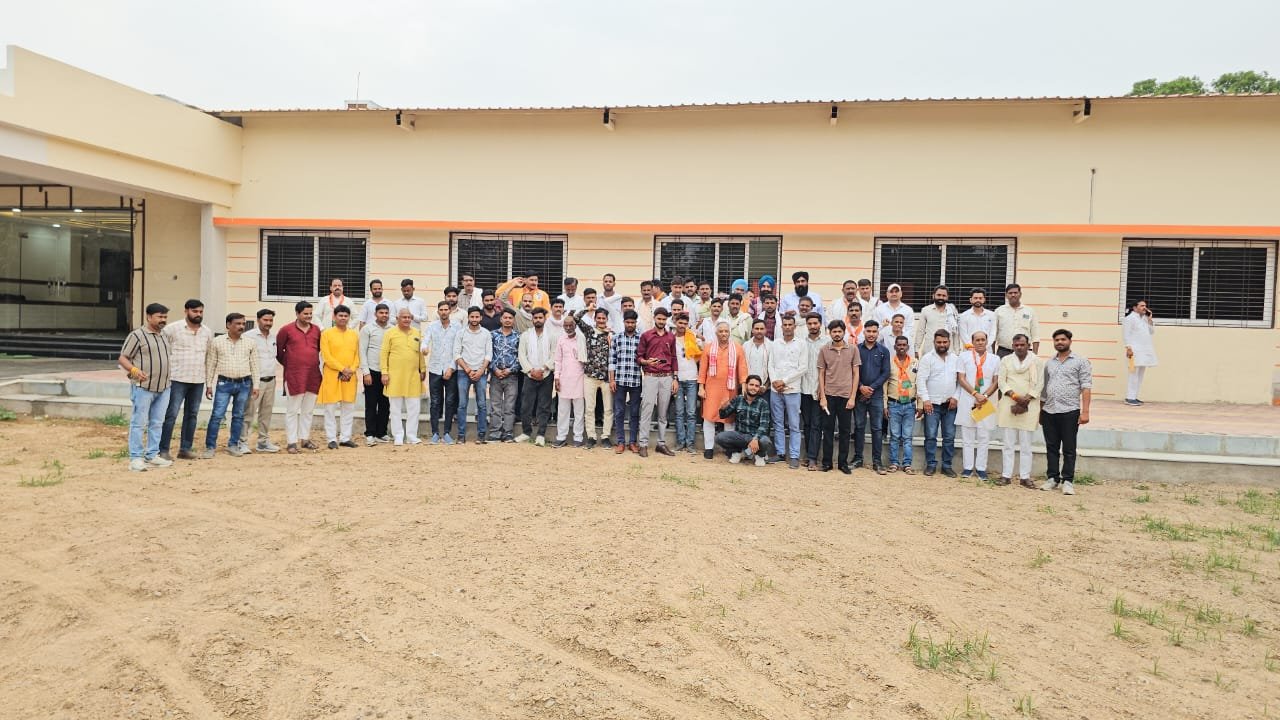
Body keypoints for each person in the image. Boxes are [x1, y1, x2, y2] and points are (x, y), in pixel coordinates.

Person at [118, 303, 173, 472]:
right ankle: (135, 458)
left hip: (164, 387)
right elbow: (123, 358)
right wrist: (134, 371)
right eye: (159, 316)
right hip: (143, 387)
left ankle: (152, 455)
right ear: (148, 317)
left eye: (165, 317)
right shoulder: (137, 335)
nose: (163, 320)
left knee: (157, 423)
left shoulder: (165, 335)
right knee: (139, 423)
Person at [159, 298, 213, 461]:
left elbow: (209, 358)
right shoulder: (172, 329)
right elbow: (162, 351)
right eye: (194, 311)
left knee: (192, 415)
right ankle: (163, 450)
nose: (198, 314)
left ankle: (185, 449)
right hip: (177, 379)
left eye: (200, 312)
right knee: (171, 414)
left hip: (198, 380)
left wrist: (209, 383)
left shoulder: (207, 332)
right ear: (186, 311)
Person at [202, 311, 260, 459]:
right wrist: (209, 385)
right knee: (217, 415)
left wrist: (256, 385)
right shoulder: (217, 342)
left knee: (238, 416)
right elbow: (211, 364)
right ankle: (210, 447)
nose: (241, 326)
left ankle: (233, 445)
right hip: (224, 384)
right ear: (228, 325)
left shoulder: (250, 342)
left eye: (243, 324)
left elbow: (255, 365)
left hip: (244, 384)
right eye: (238, 323)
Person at [1041, 329, 1092, 496]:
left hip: (1070, 410)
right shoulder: (1049, 363)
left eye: (1063, 339)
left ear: (1070, 341)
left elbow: (1086, 387)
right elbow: (1044, 389)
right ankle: (1052, 478)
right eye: (1056, 340)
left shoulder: (1081, 361)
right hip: (1049, 410)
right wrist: (1041, 411)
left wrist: (1085, 412)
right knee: (1051, 447)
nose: (1059, 342)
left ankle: (1068, 481)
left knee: (1069, 448)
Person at [276, 300, 323, 453]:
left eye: (310, 313)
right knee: (292, 409)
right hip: (294, 376)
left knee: (308, 410)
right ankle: (291, 442)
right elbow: (279, 353)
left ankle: (305, 439)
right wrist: (292, 365)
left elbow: (319, 350)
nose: (308, 316)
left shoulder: (316, 330)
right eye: (305, 314)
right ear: (297, 313)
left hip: (313, 375)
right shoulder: (286, 330)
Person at [997, 334, 1043, 488]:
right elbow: (1001, 382)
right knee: (1008, 444)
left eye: (1022, 344)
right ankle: (1006, 475)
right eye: (1016, 345)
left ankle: (1025, 477)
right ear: (1012, 346)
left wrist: (1026, 399)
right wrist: (1016, 397)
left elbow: (1040, 384)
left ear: (1028, 345)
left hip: (1030, 405)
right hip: (1009, 403)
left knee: (1026, 445)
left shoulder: (1037, 361)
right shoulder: (1006, 360)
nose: (1019, 347)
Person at [698, 321, 748, 460]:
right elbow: (702, 369)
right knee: (709, 418)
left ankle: (728, 448)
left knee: (729, 420)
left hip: (730, 389)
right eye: (721, 331)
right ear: (716, 333)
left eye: (726, 331)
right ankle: (709, 448)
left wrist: (744, 386)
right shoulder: (708, 348)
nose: (723, 334)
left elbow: (742, 368)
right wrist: (701, 387)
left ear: (729, 332)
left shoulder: (737, 348)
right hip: (711, 389)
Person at [955, 330, 1000, 480]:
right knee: (967, 436)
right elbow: (961, 379)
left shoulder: (995, 359)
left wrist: (984, 396)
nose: (980, 342)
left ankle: (981, 468)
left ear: (987, 342)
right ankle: (967, 468)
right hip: (968, 400)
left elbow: (996, 381)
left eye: (982, 340)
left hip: (986, 401)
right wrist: (975, 394)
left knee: (983, 436)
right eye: (977, 340)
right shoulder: (964, 357)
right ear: (972, 342)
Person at [817, 320, 860, 474]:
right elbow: (821, 374)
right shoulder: (824, 349)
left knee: (845, 431)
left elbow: (856, 374)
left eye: (839, 331)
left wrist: (853, 397)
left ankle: (843, 463)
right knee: (828, 429)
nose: (837, 334)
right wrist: (823, 397)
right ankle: (827, 462)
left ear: (844, 332)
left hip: (846, 395)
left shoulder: (853, 349)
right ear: (829, 333)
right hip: (829, 395)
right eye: (834, 331)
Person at [380, 308, 426, 446]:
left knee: (414, 408)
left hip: (413, 376)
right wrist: (384, 372)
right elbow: (384, 354)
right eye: (404, 317)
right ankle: (398, 436)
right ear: (397, 319)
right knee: (395, 409)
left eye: (409, 317)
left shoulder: (417, 332)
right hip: (395, 376)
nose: (407, 319)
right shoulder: (390, 333)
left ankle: (411, 436)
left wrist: (423, 369)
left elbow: (420, 353)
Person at [636, 307, 678, 457]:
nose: (661, 321)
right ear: (654, 318)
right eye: (659, 318)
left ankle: (661, 443)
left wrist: (675, 378)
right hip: (650, 376)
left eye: (664, 319)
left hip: (666, 377)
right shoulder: (646, 336)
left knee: (663, 413)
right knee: (647, 410)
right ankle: (643, 444)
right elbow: (639, 357)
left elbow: (674, 358)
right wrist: (646, 362)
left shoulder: (671, 337)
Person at [767, 315, 807, 469]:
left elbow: (803, 368)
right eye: (785, 324)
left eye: (790, 324)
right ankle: (780, 453)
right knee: (777, 422)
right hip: (775, 390)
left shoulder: (801, 344)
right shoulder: (775, 343)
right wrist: (775, 381)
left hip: (793, 389)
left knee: (794, 424)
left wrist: (784, 381)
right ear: (781, 326)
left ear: (795, 326)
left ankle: (794, 455)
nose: (788, 327)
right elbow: (771, 365)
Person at [917, 329, 959, 477]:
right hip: (932, 405)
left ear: (949, 342)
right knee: (930, 436)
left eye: (944, 342)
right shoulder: (927, 358)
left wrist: (956, 397)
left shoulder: (955, 359)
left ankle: (947, 466)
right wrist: (926, 400)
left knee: (949, 436)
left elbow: (960, 381)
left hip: (950, 405)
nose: (942, 344)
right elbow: (921, 380)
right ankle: (931, 465)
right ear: (934, 342)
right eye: (939, 342)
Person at [318, 305, 361, 449]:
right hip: (332, 375)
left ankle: (345, 437)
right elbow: (327, 356)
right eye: (340, 315)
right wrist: (342, 369)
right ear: (334, 317)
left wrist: (351, 370)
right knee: (330, 408)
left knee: (348, 407)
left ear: (349, 318)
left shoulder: (354, 334)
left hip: (350, 376)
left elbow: (357, 356)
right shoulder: (327, 334)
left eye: (346, 316)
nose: (343, 318)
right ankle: (331, 438)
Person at [853, 319, 889, 474]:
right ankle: (858, 458)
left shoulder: (883, 351)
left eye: (874, 331)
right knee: (859, 426)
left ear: (878, 332)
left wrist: (871, 388)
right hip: (859, 394)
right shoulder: (856, 349)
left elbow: (885, 373)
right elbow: (852, 371)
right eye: (869, 331)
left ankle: (877, 461)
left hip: (876, 395)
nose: (871, 334)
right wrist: (861, 387)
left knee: (877, 428)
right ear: (864, 332)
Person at [575, 305, 614, 449]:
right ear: (595, 319)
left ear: (607, 319)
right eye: (599, 318)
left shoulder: (611, 335)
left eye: (604, 318)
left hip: (606, 377)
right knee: (590, 408)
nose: (601, 320)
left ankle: (605, 436)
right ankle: (591, 436)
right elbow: (576, 318)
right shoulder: (589, 331)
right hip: (590, 375)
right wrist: (588, 309)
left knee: (608, 409)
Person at [714, 375, 774, 465]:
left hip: (757, 436)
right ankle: (737, 452)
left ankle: (760, 455)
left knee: (765, 441)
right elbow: (723, 415)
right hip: (741, 436)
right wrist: (722, 408)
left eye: (756, 386)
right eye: (751, 384)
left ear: (759, 388)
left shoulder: (763, 403)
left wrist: (755, 439)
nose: (753, 388)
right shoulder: (738, 399)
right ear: (746, 385)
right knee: (720, 438)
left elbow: (764, 425)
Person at [453, 307, 493, 444]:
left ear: (481, 317)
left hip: (481, 373)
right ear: (468, 317)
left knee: (481, 404)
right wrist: (468, 370)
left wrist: (481, 370)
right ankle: (461, 435)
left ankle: (481, 435)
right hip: (463, 372)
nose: (474, 319)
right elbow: (456, 354)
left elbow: (488, 354)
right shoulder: (461, 333)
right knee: (462, 404)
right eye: (472, 317)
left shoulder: (486, 334)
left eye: (477, 317)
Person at [243, 309, 281, 453]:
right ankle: (242, 442)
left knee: (266, 413)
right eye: (265, 320)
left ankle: (263, 442)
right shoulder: (248, 337)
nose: (268, 323)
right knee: (249, 413)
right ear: (258, 320)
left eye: (270, 320)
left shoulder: (273, 337)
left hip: (271, 380)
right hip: (255, 382)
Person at [517, 307, 556, 445]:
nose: (538, 320)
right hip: (529, 375)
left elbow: (554, 354)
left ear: (545, 319)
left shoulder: (551, 335)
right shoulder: (526, 335)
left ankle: (541, 435)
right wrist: (531, 370)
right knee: (526, 405)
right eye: (535, 318)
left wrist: (544, 368)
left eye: (540, 317)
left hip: (546, 374)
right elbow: (521, 355)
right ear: (532, 319)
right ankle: (526, 432)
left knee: (544, 406)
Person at [423, 300, 460, 444]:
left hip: (451, 369)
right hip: (435, 369)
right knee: (435, 402)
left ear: (450, 311)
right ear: (438, 311)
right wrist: (424, 348)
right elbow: (425, 341)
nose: (444, 312)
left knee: (450, 401)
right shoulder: (432, 326)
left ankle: (447, 433)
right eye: (441, 310)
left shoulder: (457, 327)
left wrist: (451, 368)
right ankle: (435, 433)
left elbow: (458, 348)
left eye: (446, 309)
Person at [609, 309, 644, 453]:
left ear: (636, 323)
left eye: (632, 322)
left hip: (636, 380)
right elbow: (612, 360)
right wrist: (612, 379)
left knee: (634, 412)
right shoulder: (617, 338)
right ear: (624, 322)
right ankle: (620, 442)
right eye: (628, 322)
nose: (630, 324)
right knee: (619, 412)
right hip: (620, 380)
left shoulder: (641, 338)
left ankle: (633, 442)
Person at [799, 312, 830, 469]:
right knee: (807, 424)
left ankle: (812, 458)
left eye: (815, 323)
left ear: (820, 324)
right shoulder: (801, 342)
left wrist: (822, 387)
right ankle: (808, 454)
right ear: (806, 325)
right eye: (810, 323)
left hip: (819, 389)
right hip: (803, 388)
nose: (812, 326)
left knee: (816, 424)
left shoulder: (827, 342)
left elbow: (830, 367)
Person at [885, 335, 919, 474]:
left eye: (904, 345)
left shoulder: (915, 363)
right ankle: (894, 463)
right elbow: (885, 385)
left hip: (910, 405)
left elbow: (918, 383)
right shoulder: (889, 363)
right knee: (894, 436)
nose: (902, 347)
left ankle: (907, 464)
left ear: (908, 347)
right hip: (894, 404)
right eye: (899, 345)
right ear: (895, 347)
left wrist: (920, 404)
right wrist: (885, 405)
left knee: (907, 436)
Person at [359, 303, 392, 446]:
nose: (384, 315)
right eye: (381, 313)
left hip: (387, 372)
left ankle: (381, 433)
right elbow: (362, 351)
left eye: (386, 313)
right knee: (371, 404)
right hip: (371, 371)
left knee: (385, 404)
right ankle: (370, 434)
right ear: (375, 314)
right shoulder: (367, 329)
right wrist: (366, 372)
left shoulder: (392, 329)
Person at [553, 314, 588, 447]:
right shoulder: (561, 339)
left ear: (575, 325)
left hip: (579, 378)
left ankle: (578, 437)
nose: (568, 328)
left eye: (570, 325)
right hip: (564, 379)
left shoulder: (582, 339)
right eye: (566, 325)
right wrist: (557, 377)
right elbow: (558, 360)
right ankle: (561, 437)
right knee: (563, 411)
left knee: (579, 411)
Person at [488, 308, 521, 442]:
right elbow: (488, 353)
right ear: (501, 319)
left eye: (510, 318)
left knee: (509, 407)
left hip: (511, 376)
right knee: (495, 406)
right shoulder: (492, 335)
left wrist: (510, 369)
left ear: (513, 320)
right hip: (495, 375)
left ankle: (508, 433)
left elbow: (521, 356)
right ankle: (495, 433)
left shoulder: (518, 336)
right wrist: (494, 369)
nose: (507, 320)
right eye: (505, 318)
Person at [672, 312, 702, 454]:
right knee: (679, 412)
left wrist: (700, 338)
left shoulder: (693, 337)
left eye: (685, 323)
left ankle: (690, 444)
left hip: (692, 378)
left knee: (691, 413)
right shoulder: (671, 338)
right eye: (680, 323)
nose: (682, 326)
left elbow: (703, 350)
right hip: (677, 379)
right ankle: (680, 442)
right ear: (675, 322)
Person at [1122, 299, 1157, 406]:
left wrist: (1150, 320)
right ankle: (1129, 397)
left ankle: (1134, 397)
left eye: (1145, 305)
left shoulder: (1145, 319)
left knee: (1140, 375)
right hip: (1134, 351)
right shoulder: (1130, 318)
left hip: (1144, 351)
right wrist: (1128, 348)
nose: (1144, 308)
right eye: (1142, 306)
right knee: (1133, 374)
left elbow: (1151, 332)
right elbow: (1126, 334)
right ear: (1134, 307)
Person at [994, 283, 1039, 356]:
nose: (1013, 295)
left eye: (1015, 293)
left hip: (1025, 352)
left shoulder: (1029, 311)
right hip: (1004, 352)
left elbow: (1035, 335)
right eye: (1010, 293)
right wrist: (993, 354)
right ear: (1006, 295)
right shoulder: (999, 311)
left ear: (1020, 294)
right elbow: (993, 334)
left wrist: (1034, 355)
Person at [914, 285, 959, 358]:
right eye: (939, 295)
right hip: (929, 351)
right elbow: (920, 331)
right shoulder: (926, 310)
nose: (941, 297)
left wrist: (957, 352)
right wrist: (916, 349)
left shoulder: (952, 311)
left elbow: (956, 333)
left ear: (947, 297)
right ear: (933, 296)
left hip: (948, 352)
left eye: (944, 295)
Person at [958, 287, 999, 352]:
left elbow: (993, 334)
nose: (978, 300)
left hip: (987, 351)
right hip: (969, 351)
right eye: (975, 298)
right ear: (971, 300)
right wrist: (971, 347)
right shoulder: (963, 316)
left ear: (984, 300)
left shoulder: (991, 315)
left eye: (980, 298)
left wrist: (984, 347)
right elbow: (963, 335)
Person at [743, 319, 772, 402]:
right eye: (756, 329)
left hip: (764, 389)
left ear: (766, 330)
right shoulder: (745, 346)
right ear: (752, 330)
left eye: (762, 329)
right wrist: (745, 386)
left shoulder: (771, 346)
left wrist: (765, 386)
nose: (759, 331)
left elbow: (773, 368)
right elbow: (742, 367)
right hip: (747, 388)